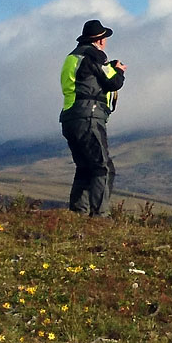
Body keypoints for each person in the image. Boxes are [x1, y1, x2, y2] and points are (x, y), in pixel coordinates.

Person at [59, 20, 127, 217]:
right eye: (104, 38)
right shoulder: (94, 56)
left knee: (85, 167)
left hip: (70, 116)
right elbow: (112, 82)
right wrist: (120, 71)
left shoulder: (72, 57)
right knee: (102, 167)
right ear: (99, 40)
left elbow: (89, 78)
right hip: (89, 115)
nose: (105, 42)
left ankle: (78, 213)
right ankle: (99, 217)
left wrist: (110, 66)